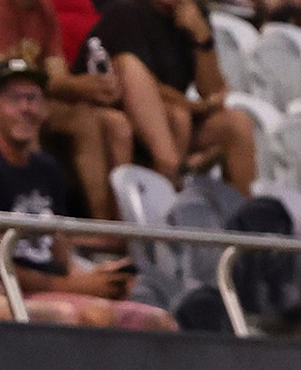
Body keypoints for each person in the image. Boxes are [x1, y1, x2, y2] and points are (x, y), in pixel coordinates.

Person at [0, 55, 172, 326]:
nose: (26, 108)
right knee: (86, 316)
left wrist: (98, 276)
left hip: (52, 287)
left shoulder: (47, 169)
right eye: (13, 99)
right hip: (8, 289)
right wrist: (75, 285)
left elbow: (58, 253)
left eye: (33, 98)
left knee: (157, 320)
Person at [92, 0, 257, 194]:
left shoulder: (194, 15)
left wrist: (202, 38)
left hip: (175, 112)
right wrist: (196, 107)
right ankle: (166, 192)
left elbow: (211, 90)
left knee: (237, 124)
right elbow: (137, 81)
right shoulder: (127, 12)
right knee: (179, 116)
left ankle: (244, 216)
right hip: (130, 111)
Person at [1, 0, 129, 221]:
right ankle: (31, 222)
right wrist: (80, 86)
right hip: (8, 98)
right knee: (26, 115)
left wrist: (90, 87)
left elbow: (56, 74)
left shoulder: (44, 8)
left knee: (102, 122)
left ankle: (106, 226)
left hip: (35, 95)